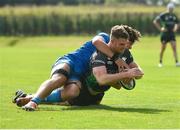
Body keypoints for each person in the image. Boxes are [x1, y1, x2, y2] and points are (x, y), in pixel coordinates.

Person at [13, 25, 144, 107]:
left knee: (72, 92)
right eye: (129, 44)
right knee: (59, 79)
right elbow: (96, 41)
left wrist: (124, 78)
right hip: (71, 61)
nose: (130, 47)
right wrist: (117, 60)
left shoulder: (121, 54)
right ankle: (33, 102)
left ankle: (30, 97)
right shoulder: (104, 38)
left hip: (80, 75)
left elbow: (119, 80)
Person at [153, 2, 180, 67]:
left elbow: (178, 23)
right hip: (164, 34)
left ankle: (177, 62)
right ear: (168, 8)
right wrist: (160, 29)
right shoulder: (163, 15)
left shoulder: (174, 16)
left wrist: (175, 28)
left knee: (174, 47)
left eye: (172, 8)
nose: (171, 9)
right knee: (163, 48)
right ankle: (160, 62)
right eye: (170, 8)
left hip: (171, 34)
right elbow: (155, 21)